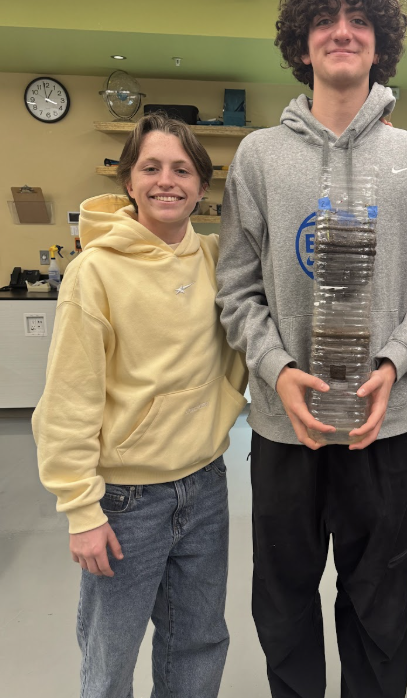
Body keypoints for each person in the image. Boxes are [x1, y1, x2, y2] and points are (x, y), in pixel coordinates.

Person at [216, 0, 407, 698]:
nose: (343, 32)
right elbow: (237, 288)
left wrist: (394, 364)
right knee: (284, 605)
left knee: (379, 611)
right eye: (327, 19)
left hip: (382, 433)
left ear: (379, 43)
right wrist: (278, 371)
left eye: (360, 20)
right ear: (303, 41)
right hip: (285, 434)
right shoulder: (258, 157)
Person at [32, 113, 247, 698]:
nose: (166, 181)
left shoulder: (216, 261)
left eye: (182, 169)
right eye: (150, 168)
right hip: (127, 502)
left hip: (205, 487)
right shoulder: (93, 272)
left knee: (199, 642)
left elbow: (246, 339)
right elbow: (70, 398)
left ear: (204, 186)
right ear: (129, 181)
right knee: (110, 658)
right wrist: (82, 509)